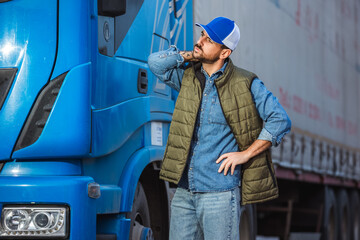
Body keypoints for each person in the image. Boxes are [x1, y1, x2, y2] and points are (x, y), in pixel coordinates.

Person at [148, 16, 291, 240]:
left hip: (220, 194)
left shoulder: (246, 83)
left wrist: (245, 155)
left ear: (225, 52)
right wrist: (190, 54)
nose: (200, 41)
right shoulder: (188, 77)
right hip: (185, 191)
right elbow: (155, 63)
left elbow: (280, 120)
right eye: (202, 35)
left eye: (209, 40)